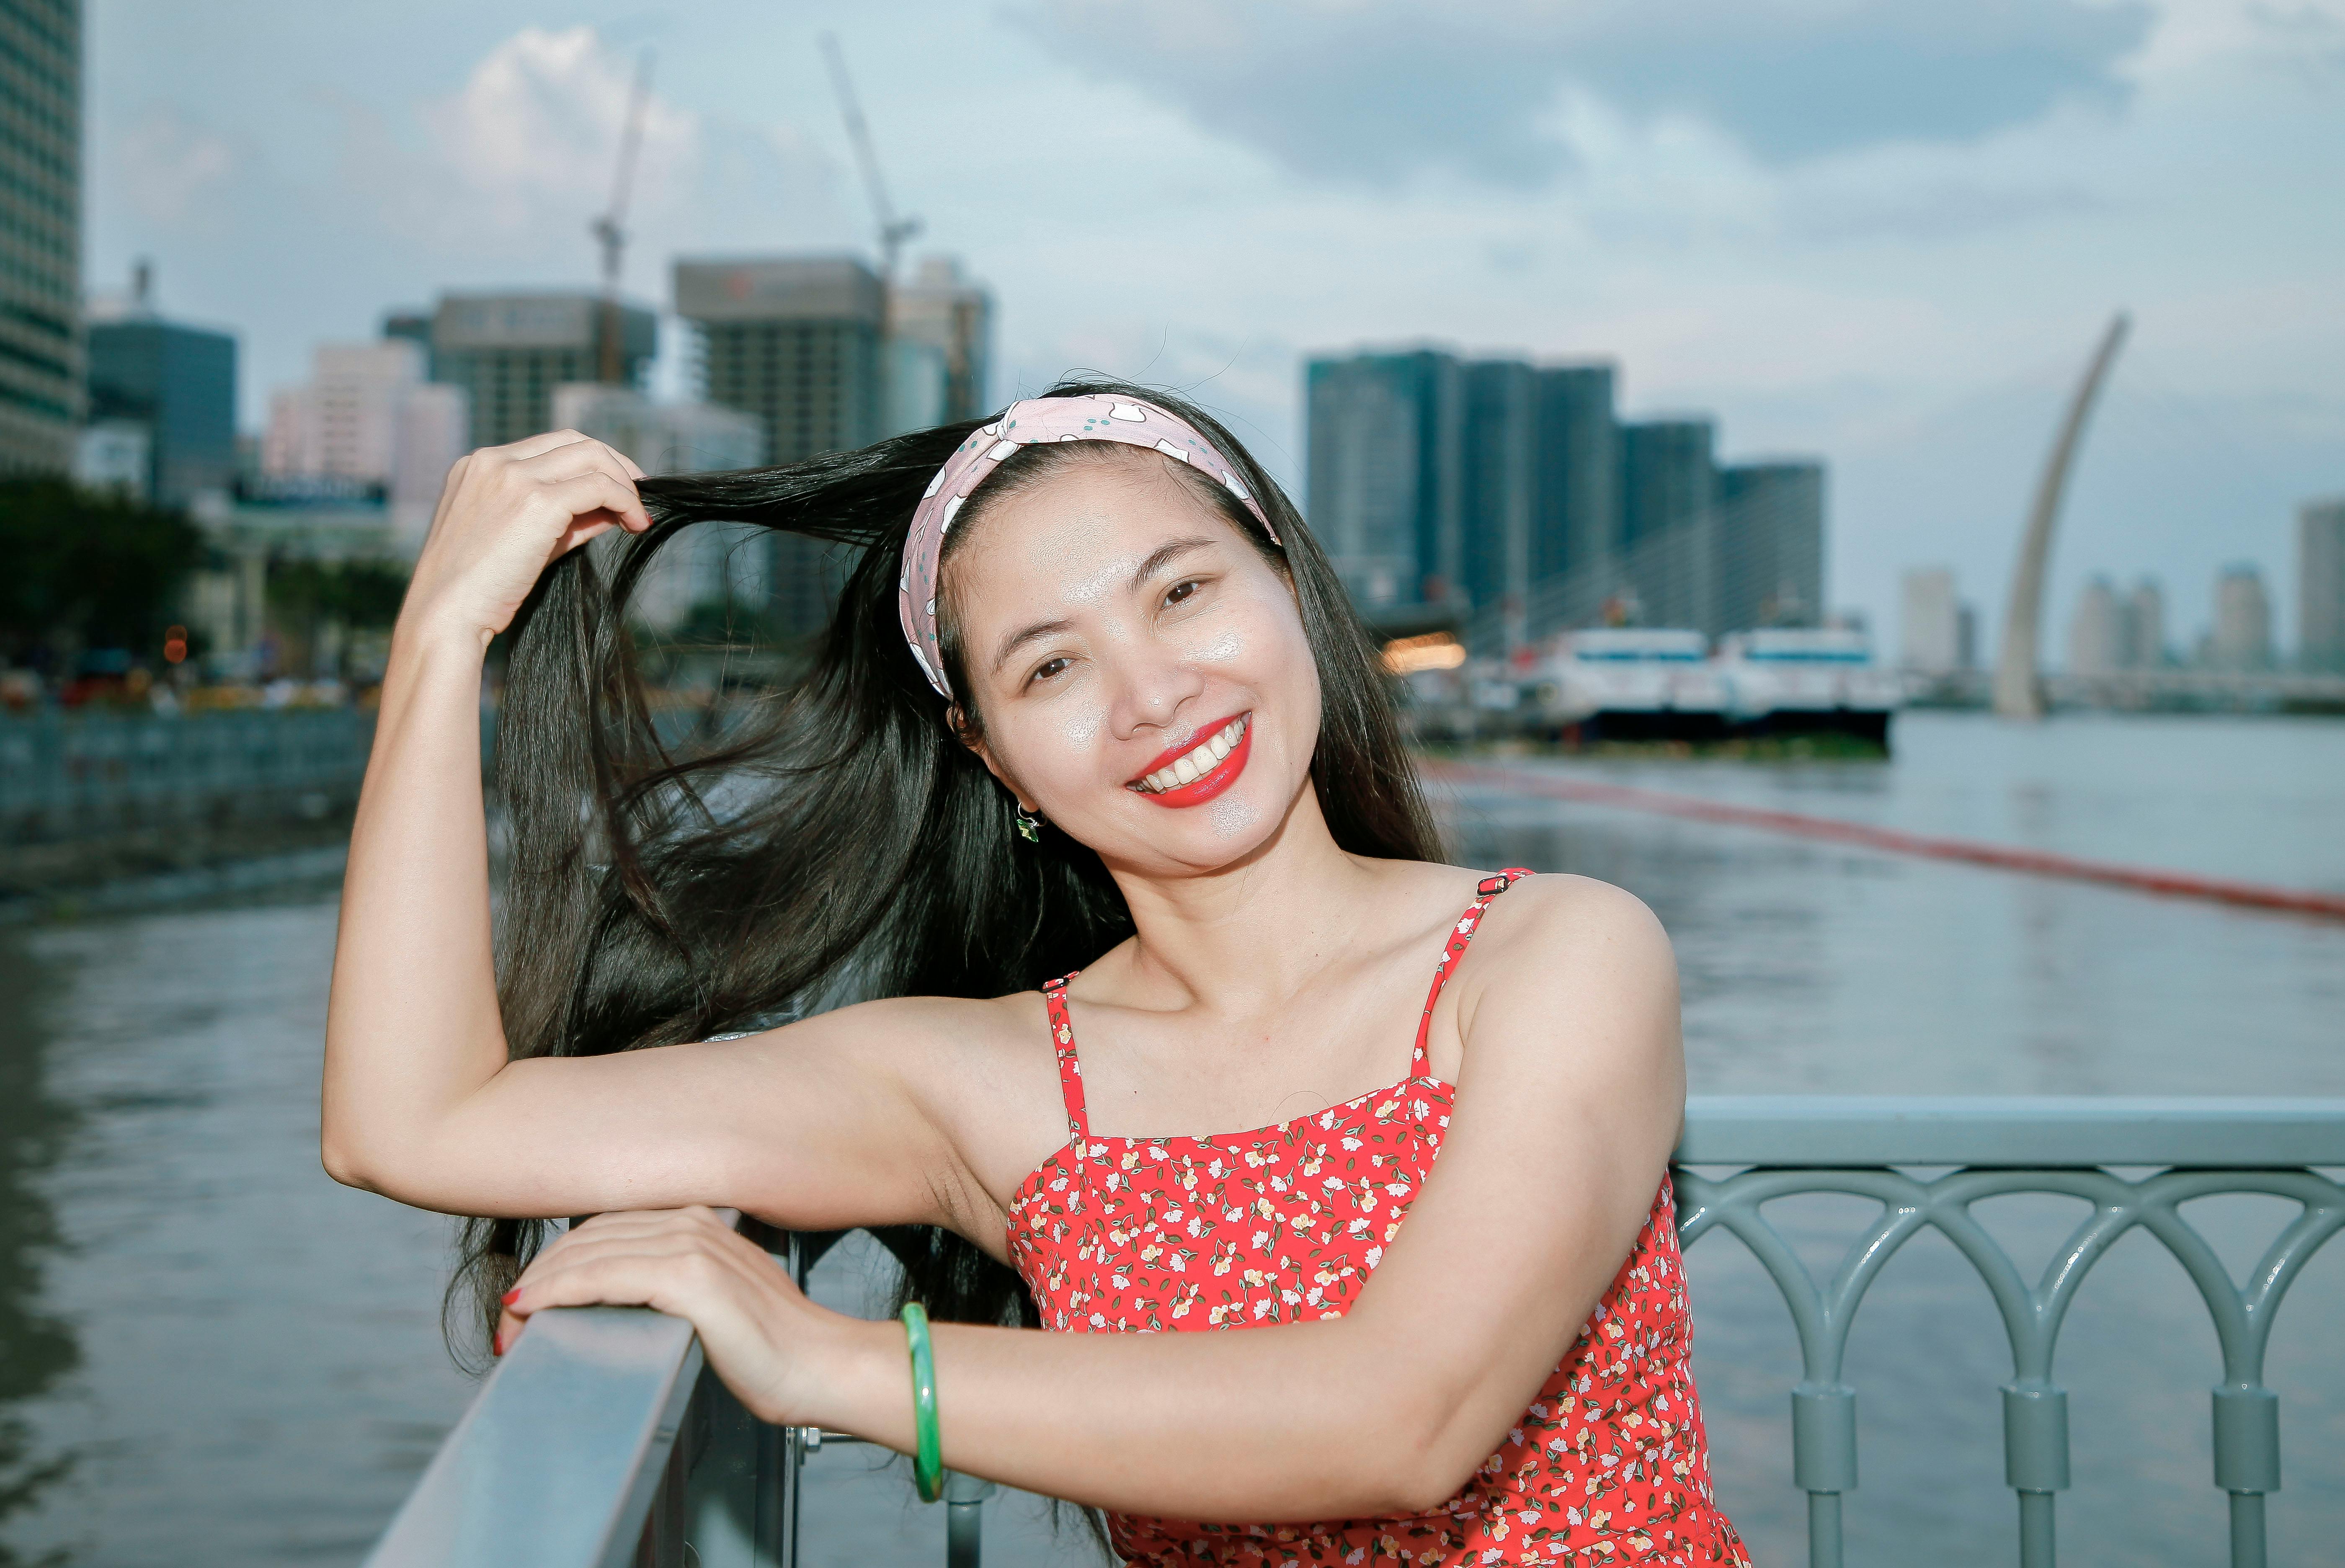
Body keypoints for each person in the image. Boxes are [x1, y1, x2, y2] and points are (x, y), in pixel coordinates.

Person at [321, 380, 1749, 1566]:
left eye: (1183, 592)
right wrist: (441, 638)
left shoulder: (1555, 954)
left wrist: (829, 1360)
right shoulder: (990, 1085)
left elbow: (1406, 1419)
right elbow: (413, 1121)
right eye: (1051, 669)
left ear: (1292, 588)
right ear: (989, 754)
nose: (1152, 697)